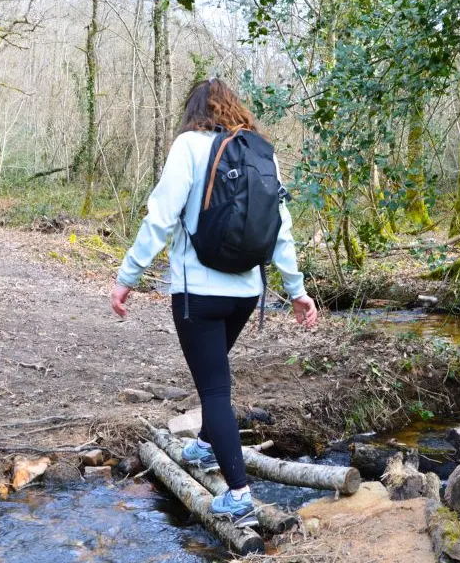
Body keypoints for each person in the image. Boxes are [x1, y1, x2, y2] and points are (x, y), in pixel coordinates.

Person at [110, 78, 318, 527]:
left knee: (214, 389)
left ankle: (239, 496)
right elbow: (281, 228)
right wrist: (296, 290)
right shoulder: (262, 151)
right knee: (215, 375)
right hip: (246, 292)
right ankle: (205, 446)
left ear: (194, 110)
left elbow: (161, 219)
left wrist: (127, 277)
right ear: (234, 108)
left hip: (197, 294)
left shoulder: (188, 146)